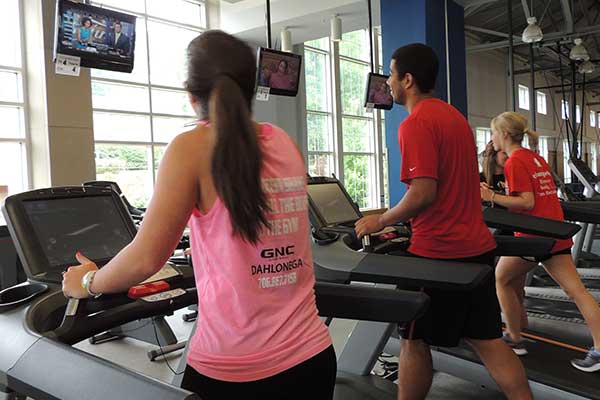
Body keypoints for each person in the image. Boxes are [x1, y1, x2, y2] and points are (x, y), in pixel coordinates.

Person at [62, 30, 336, 399]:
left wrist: (88, 282)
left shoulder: (189, 147)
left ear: (190, 95)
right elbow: (262, 229)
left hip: (236, 373)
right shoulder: (284, 142)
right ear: (252, 90)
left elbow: (146, 258)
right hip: (312, 360)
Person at [354, 43, 532, 400]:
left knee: (413, 342)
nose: (388, 82)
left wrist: (380, 220)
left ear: (408, 79)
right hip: (476, 249)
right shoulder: (454, 118)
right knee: (490, 343)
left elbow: (423, 193)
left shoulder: (416, 123)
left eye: (391, 74)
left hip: (436, 257)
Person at [480, 111, 600, 372]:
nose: (492, 139)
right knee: (575, 292)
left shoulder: (514, 162)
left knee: (500, 279)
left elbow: (526, 202)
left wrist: (491, 197)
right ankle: (518, 334)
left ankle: (515, 337)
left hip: (534, 240)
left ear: (504, 134)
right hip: (552, 234)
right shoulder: (535, 157)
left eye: (492, 133)